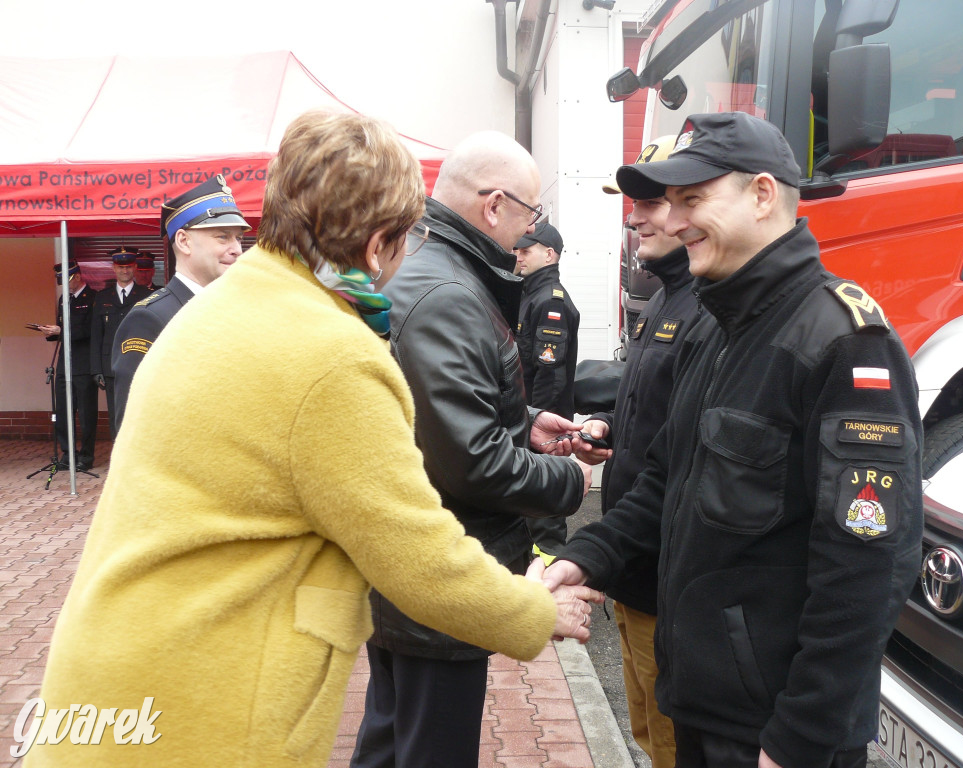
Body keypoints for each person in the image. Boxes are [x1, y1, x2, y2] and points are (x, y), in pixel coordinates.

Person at [26, 111, 602, 768]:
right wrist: (532, 611)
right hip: (202, 702)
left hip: (116, 671)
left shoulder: (229, 301)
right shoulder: (332, 354)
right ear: (382, 239)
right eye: (407, 233)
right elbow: (417, 555)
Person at [545, 112, 924, 768]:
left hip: (777, 733)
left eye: (694, 199)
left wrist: (803, 736)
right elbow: (664, 477)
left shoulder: (845, 342)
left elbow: (866, 567)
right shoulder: (711, 328)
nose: (674, 219)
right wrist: (585, 557)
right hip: (701, 703)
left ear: (762, 195)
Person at [351, 131, 593, 768]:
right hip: (442, 571)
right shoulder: (450, 294)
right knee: (430, 745)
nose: (530, 229)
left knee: (392, 733)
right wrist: (569, 480)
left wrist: (529, 419)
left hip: (411, 564)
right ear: (494, 207)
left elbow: (445, 411)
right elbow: (473, 462)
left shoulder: (427, 265)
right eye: (531, 213)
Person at [571, 135, 698, 768]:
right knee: (647, 731)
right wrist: (609, 431)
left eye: (650, 201)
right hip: (632, 566)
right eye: (632, 201)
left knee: (672, 741)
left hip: (660, 572)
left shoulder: (706, 304)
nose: (634, 215)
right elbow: (657, 416)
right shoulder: (665, 296)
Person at [111, 176, 249, 434]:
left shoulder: (236, 310)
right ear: (184, 241)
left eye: (239, 238)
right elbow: (133, 428)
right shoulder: (150, 319)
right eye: (223, 237)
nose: (237, 249)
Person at [512, 220, 581, 562]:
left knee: (545, 522)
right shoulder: (528, 294)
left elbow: (549, 377)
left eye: (526, 251)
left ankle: (553, 589)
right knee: (527, 512)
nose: (519, 256)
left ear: (549, 254)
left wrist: (537, 430)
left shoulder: (550, 303)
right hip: (528, 426)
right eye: (518, 249)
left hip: (543, 431)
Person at [37, 261, 98, 471]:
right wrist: (51, 332)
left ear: (78, 277)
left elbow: (88, 331)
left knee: (86, 413)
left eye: (67, 280)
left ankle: (87, 456)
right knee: (63, 411)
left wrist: (60, 331)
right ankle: (68, 453)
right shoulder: (65, 299)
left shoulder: (93, 298)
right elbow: (63, 328)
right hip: (64, 362)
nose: (64, 285)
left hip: (83, 363)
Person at [89, 247, 150, 439]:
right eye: (120, 267)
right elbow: (96, 335)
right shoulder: (102, 297)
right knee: (116, 414)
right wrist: (96, 368)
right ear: (113, 268)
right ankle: (119, 460)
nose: (125, 271)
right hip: (110, 367)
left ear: (135, 268)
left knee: (140, 412)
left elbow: (151, 332)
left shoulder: (146, 295)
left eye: (129, 266)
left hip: (138, 364)